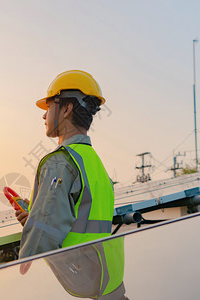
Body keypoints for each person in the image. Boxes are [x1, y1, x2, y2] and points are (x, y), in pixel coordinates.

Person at [17, 70, 115, 258]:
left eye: (48, 107)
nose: (44, 116)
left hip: (68, 277)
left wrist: (24, 278)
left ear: (66, 108)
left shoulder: (60, 163)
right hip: (96, 276)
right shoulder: (96, 165)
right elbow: (80, 224)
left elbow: (40, 245)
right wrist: (35, 219)